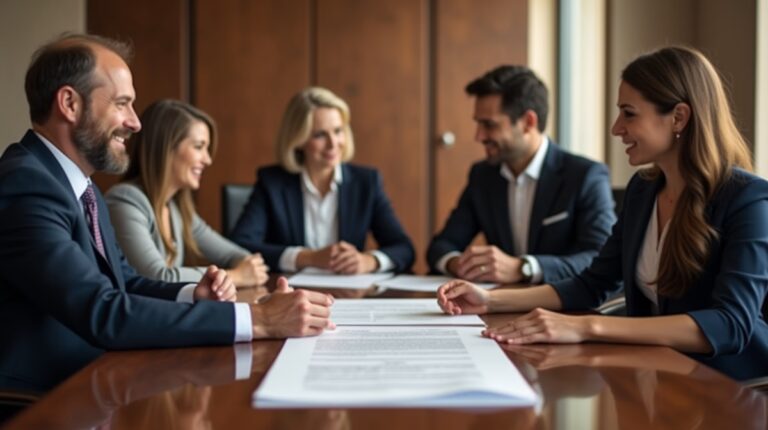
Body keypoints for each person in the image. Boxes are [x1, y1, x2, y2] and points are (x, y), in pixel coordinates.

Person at [0, 34, 333, 392]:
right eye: (122, 104)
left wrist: (192, 295)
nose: (135, 122)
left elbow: (125, 283)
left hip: (94, 375)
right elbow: (102, 310)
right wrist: (260, 319)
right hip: (42, 399)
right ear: (69, 103)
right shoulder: (26, 184)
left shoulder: (83, 188)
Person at [437, 46, 768, 381]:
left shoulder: (748, 199)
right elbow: (592, 284)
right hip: (658, 373)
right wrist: (490, 301)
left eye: (629, 113)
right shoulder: (643, 189)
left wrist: (586, 326)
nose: (616, 128)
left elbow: (731, 325)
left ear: (679, 117)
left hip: (730, 387)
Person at [426, 65, 615, 285]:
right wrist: (459, 263)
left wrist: (524, 268)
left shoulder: (585, 176)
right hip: (497, 306)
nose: (479, 136)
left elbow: (601, 258)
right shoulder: (483, 176)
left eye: (489, 125)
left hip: (564, 309)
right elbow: (442, 245)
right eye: (478, 124)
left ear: (528, 122)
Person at [230, 86, 415, 274]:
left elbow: (404, 248)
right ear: (298, 139)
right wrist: (308, 258)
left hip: (349, 293)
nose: (333, 144)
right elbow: (240, 246)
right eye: (319, 135)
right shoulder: (272, 182)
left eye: (338, 131)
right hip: (290, 294)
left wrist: (369, 261)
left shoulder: (366, 182)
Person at [105, 99, 268, 287]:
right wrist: (235, 276)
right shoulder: (125, 201)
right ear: (166, 149)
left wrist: (246, 269)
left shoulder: (177, 209)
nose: (207, 160)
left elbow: (239, 256)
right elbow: (157, 278)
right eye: (199, 147)